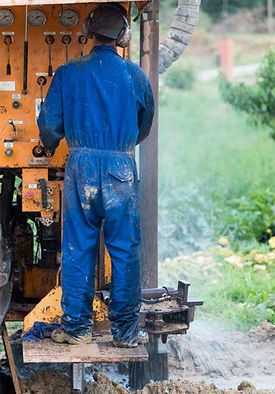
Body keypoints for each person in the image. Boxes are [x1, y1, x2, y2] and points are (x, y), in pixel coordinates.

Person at [38, 3, 154, 348]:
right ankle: (126, 332)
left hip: (81, 169)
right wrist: (121, 144)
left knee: (78, 247)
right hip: (121, 168)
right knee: (124, 249)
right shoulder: (135, 75)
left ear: (89, 32)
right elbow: (144, 125)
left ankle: (76, 328)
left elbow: (49, 126)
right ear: (123, 35)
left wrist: (53, 143)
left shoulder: (69, 72)